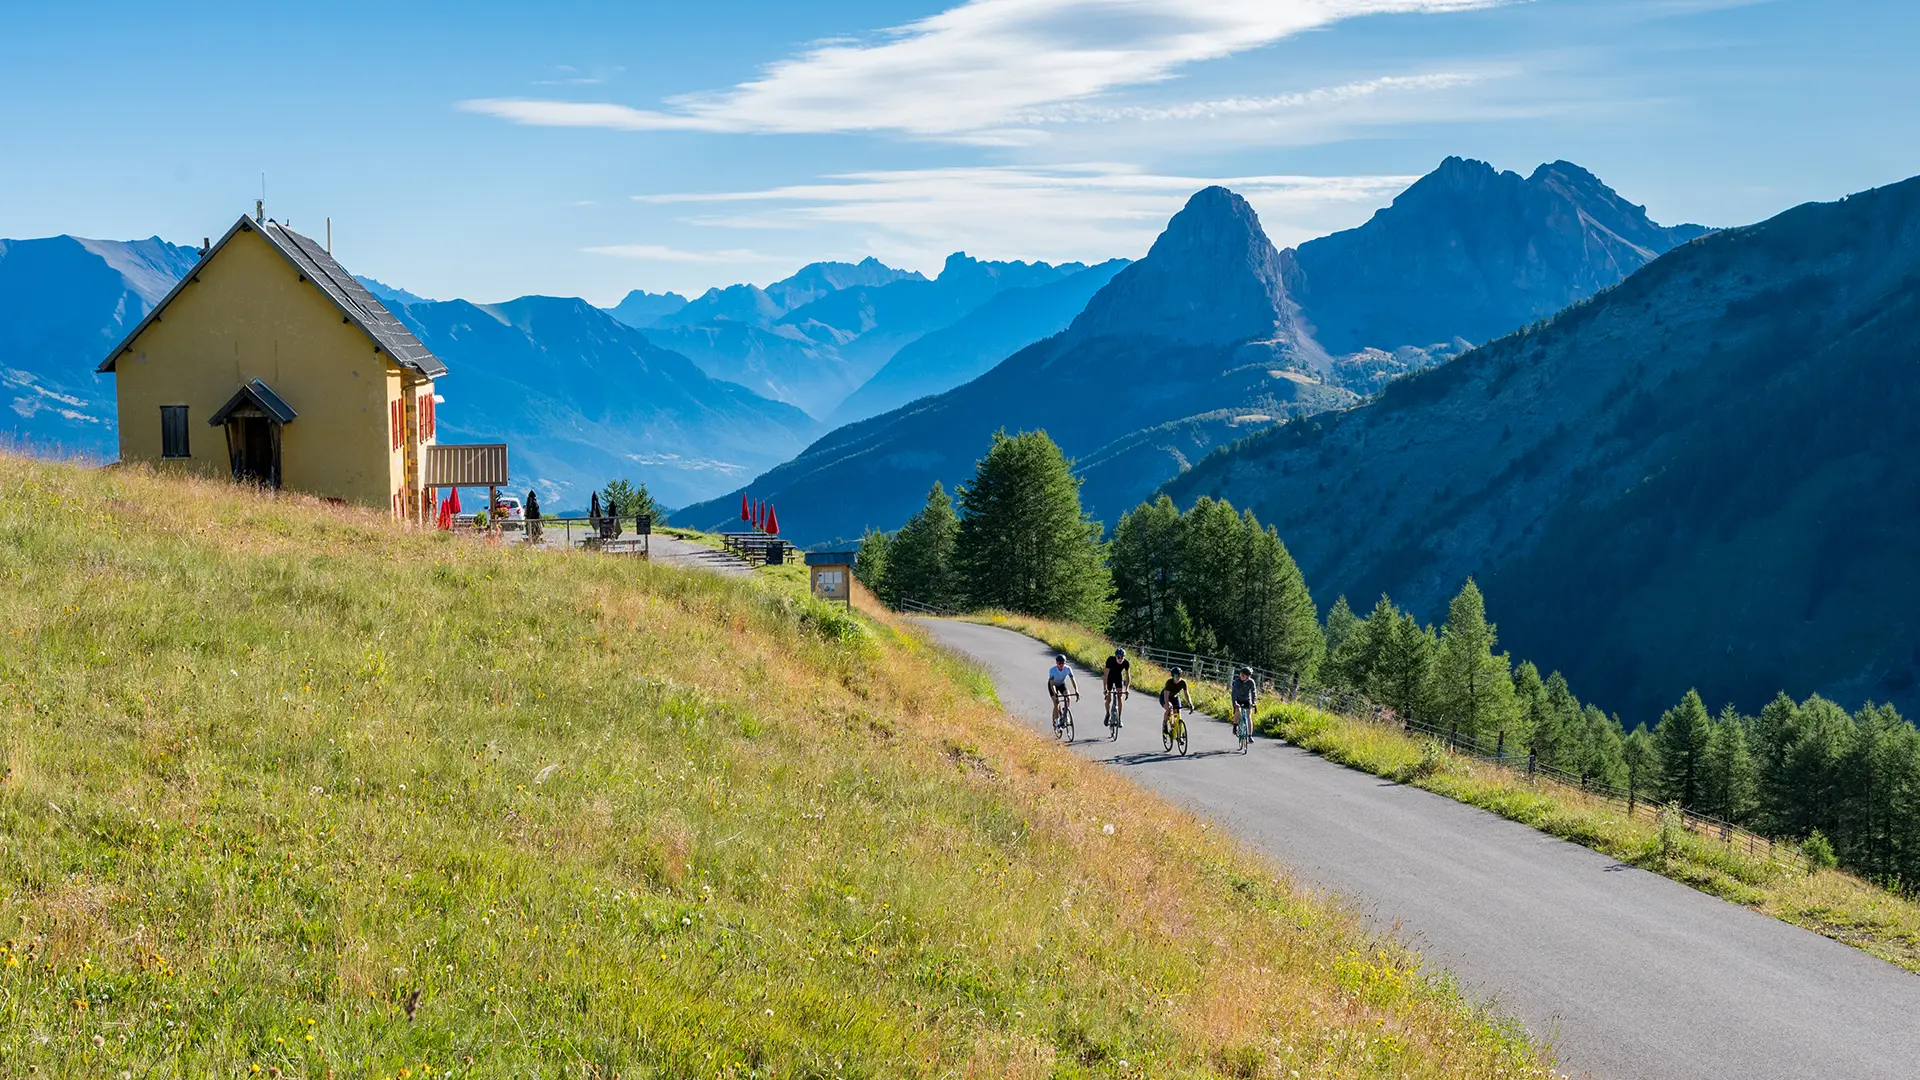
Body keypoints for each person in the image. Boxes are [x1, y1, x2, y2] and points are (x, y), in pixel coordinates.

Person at [1047, 653, 1079, 730]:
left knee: (1068, 697)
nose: (1061, 665)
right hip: (1053, 685)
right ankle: (1057, 722)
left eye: (1063, 663)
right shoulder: (1052, 670)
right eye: (1059, 663)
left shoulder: (1068, 669)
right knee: (1056, 703)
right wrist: (1055, 694)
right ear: (1056, 663)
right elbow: (1052, 684)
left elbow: (1073, 680)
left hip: (1061, 684)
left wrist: (1076, 690)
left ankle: (1065, 712)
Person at [1161, 667, 1193, 737]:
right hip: (1165, 697)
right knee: (1169, 708)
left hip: (1175, 697)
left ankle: (1179, 732)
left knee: (1178, 712)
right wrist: (1167, 703)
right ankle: (1165, 725)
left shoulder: (1183, 682)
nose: (1178, 678)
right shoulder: (1169, 682)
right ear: (1173, 676)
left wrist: (1190, 704)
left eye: (1179, 676)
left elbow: (1186, 694)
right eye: (1176, 676)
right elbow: (1166, 695)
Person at [1102, 647, 1131, 726]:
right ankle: (1107, 714)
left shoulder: (1126, 662)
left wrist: (1127, 689)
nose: (1120, 659)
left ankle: (1119, 718)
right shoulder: (1110, 660)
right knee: (1109, 698)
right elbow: (1105, 675)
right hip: (1110, 678)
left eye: (1122, 657)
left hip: (1118, 677)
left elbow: (1128, 677)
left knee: (1119, 696)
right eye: (1118, 657)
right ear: (1115, 657)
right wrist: (1105, 689)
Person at [1231, 665, 1258, 741]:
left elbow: (1253, 692)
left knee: (1249, 716)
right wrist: (1235, 702)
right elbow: (1234, 693)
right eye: (1241, 674)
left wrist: (1253, 702)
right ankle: (1235, 725)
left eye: (1243, 675)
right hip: (1238, 699)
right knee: (1238, 712)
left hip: (1247, 700)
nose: (1241, 676)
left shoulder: (1251, 682)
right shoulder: (1237, 681)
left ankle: (1249, 736)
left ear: (1248, 676)